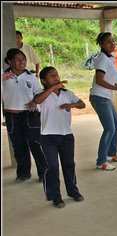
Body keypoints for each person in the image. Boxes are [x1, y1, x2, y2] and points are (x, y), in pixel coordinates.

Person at [32, 67, 86, 208]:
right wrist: (53, 88)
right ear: (43, 81)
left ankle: (73, 191)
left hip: (66, 135)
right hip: (48, 136)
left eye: (56, 75)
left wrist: (72, 105)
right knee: (52, 167)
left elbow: (82, 104)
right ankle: (55, 196)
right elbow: (37, 101)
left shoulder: (67, 93)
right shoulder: (41, 94)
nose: (56, 77)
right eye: (51, 76)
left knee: (69, 165)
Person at [2, 48, 47, 182]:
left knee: (35, 143)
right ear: (9, 61)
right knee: (18, 144)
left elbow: (39, 93)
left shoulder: (30, 77)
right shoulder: (3, 75)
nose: (22, 62)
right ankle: (23, 172)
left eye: (24, 59)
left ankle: (43, 172)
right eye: (18, 59)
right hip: (11, 115)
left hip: (30, 115)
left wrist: (35, 101)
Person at [89, 32, 117, 171]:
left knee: (116, 125)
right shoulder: (102, 59)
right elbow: (100, 80)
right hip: (99, 97)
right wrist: (116, 88)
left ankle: (111, 154)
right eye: (108, 42)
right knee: (109, 128)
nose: (112, 44)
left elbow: (108, 78)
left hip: (105, 96)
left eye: (113, 41)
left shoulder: (110, 57)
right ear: (101, 44)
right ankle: (101, 161)